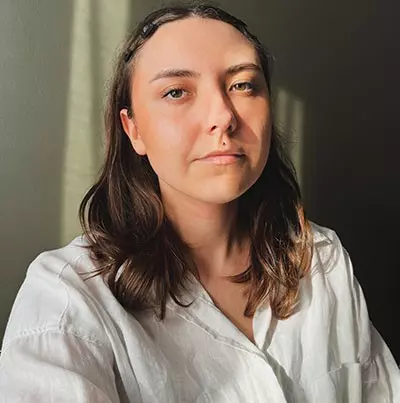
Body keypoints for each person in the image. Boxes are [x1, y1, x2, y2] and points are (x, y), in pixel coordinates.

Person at [0, 3, 399, 402]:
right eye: (176, 92)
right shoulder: (67, 300)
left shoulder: (321, 261)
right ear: (133, 129)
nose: (223, 116)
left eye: (243, 85)